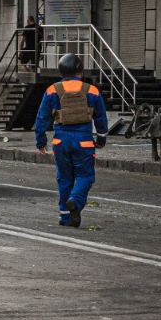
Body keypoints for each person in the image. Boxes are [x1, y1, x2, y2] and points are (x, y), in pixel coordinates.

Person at [33, 53, 109, 228]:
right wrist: (102, 137)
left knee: (64, 178)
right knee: (85, 176)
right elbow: (101, 118)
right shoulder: (91, 90)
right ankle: (75, 200)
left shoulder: (53, 90)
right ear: (80, 71)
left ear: (60, 71)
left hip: (60, 142)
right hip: (84, 141)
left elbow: (42, 117)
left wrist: (41, 140)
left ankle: (65, 217)